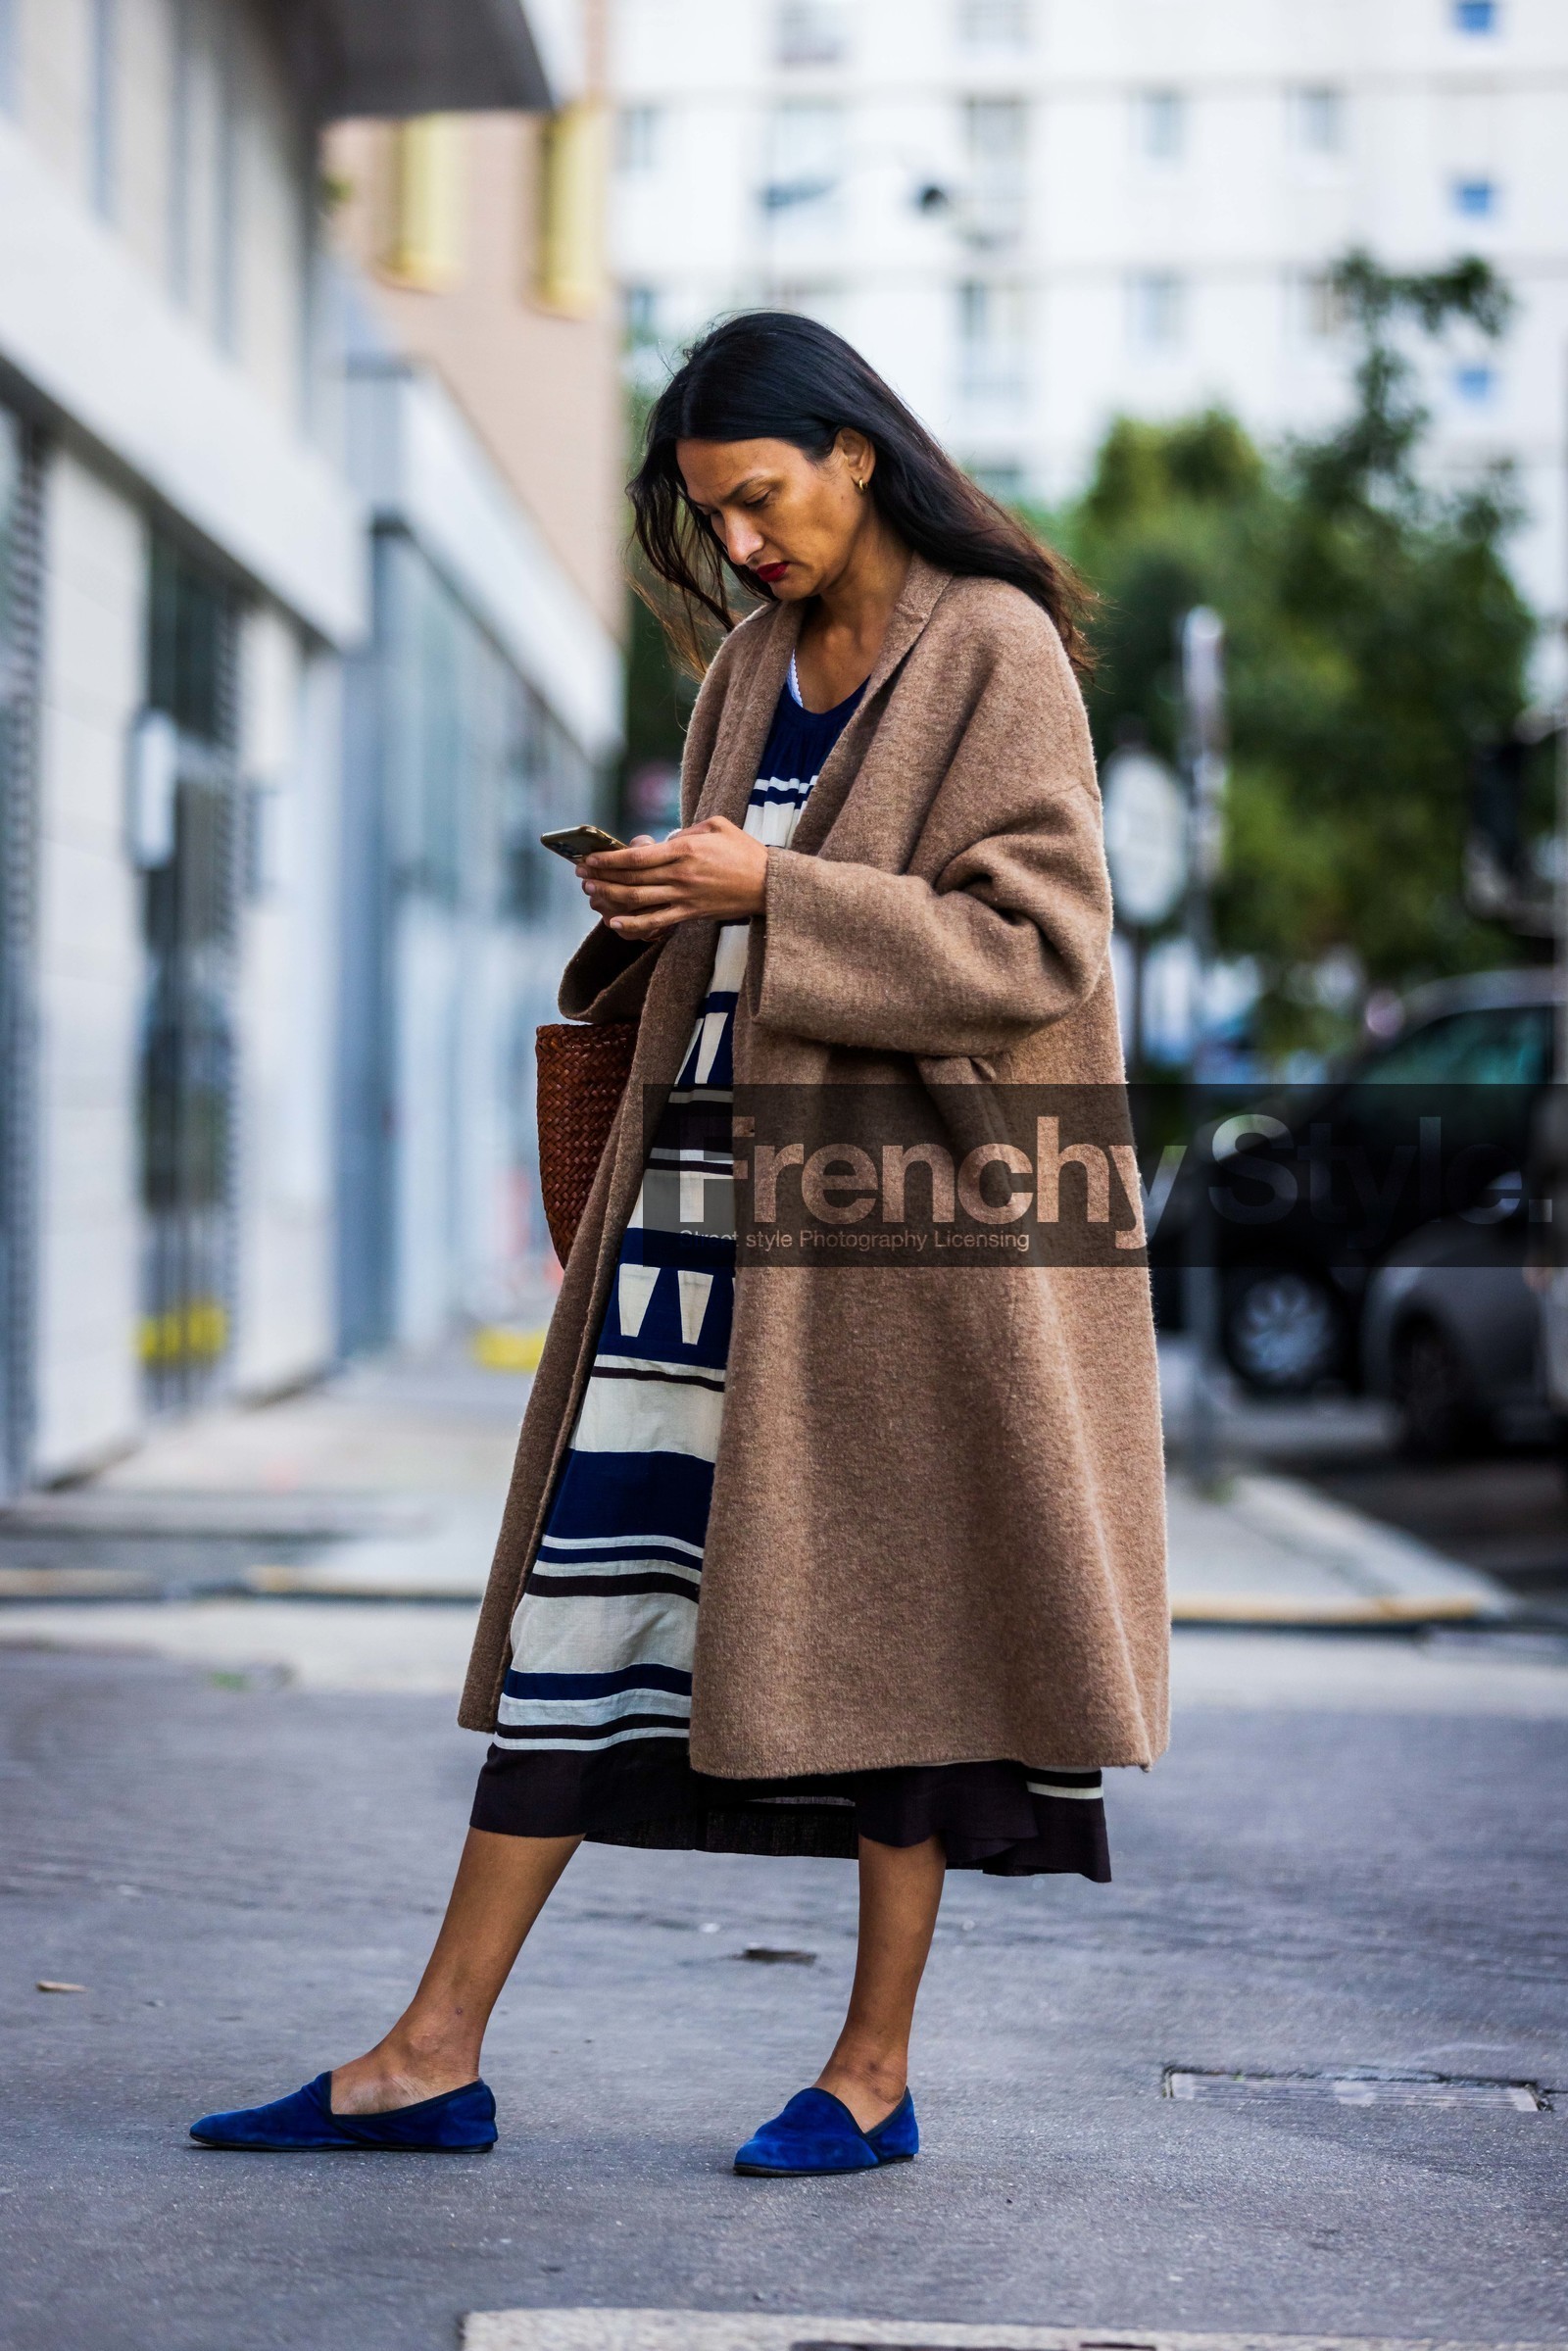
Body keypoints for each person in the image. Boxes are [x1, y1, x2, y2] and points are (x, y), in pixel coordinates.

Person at [191, 313, 1168, 2177]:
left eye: (760, 499)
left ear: (856, 455)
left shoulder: (996, 650)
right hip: (697, 1226)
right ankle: (429, 2051)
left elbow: (1039, 950)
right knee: (588, 1609)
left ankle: (868, 2076)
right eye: (714, 516)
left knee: (905, 1640)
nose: (741, 542)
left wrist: (765, 886)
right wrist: (658, 899)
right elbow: (744, 920)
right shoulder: (746, 667)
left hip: (892, 1247)